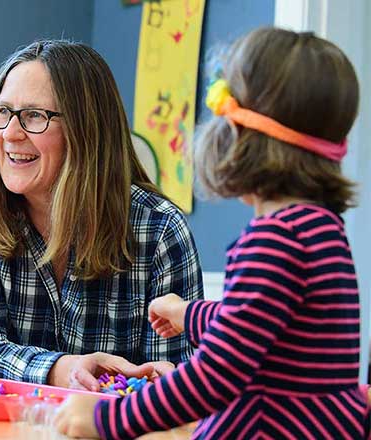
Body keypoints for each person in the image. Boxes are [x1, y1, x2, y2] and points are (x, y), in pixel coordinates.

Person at [54, 27, 366, 439]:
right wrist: (189, 314)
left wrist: (107, 420)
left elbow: (216, 374)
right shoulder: (322, 229)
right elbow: (261, 323)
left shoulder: (274, 241)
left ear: (235, 135)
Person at [0, 39, 204, 390]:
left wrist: (153, 385)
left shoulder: (159, 229)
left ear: (86, 131)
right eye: (1, 111)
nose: (9, 134)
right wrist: (66, 370)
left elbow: (174, 378)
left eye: (34, 116)